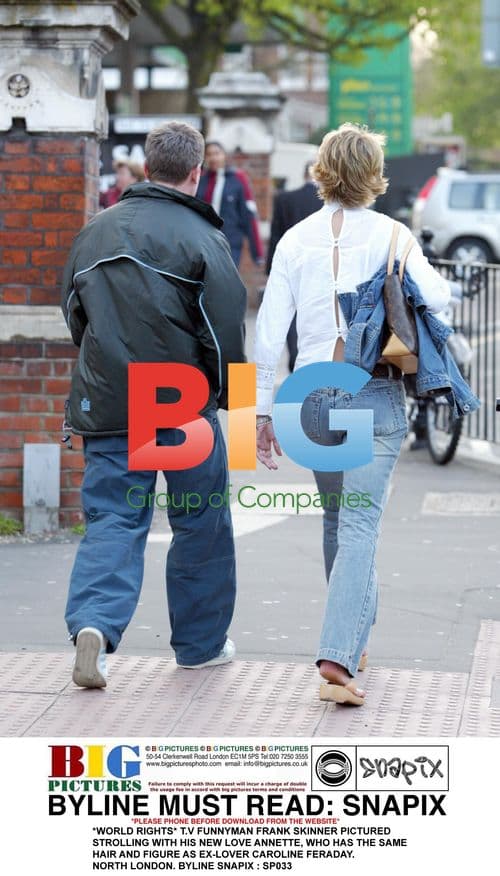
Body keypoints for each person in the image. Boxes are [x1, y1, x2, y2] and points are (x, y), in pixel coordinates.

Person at [253, 123, 451, 706]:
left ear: (322, 170)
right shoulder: (393, 236)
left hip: (311, 395)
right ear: (373, 174)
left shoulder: (293, 240)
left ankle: (355, 637)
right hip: (372, 394)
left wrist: (263, 412)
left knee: (339, 522)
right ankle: (337, 658)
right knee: (361, 526)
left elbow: (268, 334)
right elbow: (438, 297)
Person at [61, 121, 247, 688]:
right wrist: (235, 400)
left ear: (146, 166)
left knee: (113, 518)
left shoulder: (95, 233)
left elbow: (74, 314)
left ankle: (94, 624)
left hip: (110, 401)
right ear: (197, 174)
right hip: (179, 403)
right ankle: (200, 646)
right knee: (201, 522)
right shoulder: (203, 238)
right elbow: (226, 327)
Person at [266, 160, 322, 371]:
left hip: (291, 266)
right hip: (321, 269)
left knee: (293, 314)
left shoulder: (285, 199)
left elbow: (276, 235)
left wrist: (270, 270)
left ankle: (295, 357)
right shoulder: (329, 202)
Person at [197, 141, 264, 267]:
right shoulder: (200, 179)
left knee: (228, 283)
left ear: (224, 155)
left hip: (230, 244)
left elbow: (249, 215)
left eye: (217, 153)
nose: (213, 158)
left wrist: (257, 253)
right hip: (204, 243)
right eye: (209, 154)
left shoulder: (238, 178)